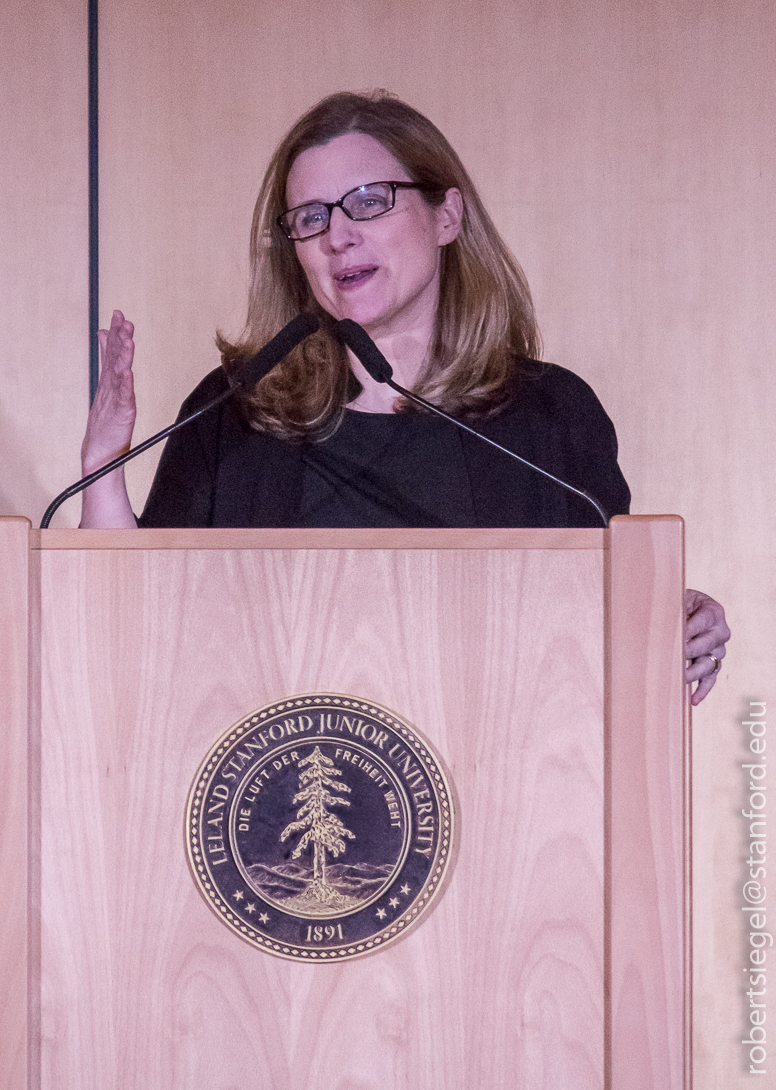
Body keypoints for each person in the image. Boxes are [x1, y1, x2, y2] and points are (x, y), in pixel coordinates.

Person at [78, 90, 729, 702]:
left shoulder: (551, 416)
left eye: (369, 201)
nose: (338, 236)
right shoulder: (238, 410)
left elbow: (601, 630)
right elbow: (132, 632)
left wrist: (671, 626)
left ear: (447, 215)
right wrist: (103, 468)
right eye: (311, 217)